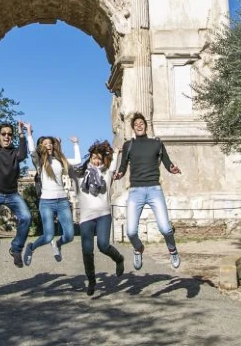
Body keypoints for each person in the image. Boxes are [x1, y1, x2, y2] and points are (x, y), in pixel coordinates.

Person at [113, 112, 182, 270]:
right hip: (135, 191)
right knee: (130, 232)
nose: (139, 125)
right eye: (136, 123)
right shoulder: (128, 145)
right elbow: (123, 167)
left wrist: (173, 169)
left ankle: (173, 250)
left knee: (165, 228)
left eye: (141, 123)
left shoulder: (157, 143)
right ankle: (138, 249)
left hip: (154, 190)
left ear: (146, 125)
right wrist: (119, 174)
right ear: (133, 127)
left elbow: (167, 163)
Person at [69, 138, 125, 295]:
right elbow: (67, 166)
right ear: (90, 158)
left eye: (99, 158)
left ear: (102, 160)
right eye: (94, 157)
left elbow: (113, 165)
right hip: (86, 218)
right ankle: (91, 280)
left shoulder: (106, 175)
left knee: (103, 245)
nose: (96, 160)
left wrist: (117, 152)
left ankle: (119, 258)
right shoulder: (79, 176)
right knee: (87, 250)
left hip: (104, 215)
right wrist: (74, 145)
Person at [23, 131, 80, 267]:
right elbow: (32, 151)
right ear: (42, 146)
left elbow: (78, 161)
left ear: (54, 146)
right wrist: (29, 134)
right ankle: (31, 247)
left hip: (62, 201)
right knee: (48, 236)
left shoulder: (60, 160)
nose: (48, 145)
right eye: (45, 143)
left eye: (50, 143)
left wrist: (76, 144)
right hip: (46, 202)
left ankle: (58, 245)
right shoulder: (40, 162)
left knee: (70, 235)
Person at [0, 115, 31, 268]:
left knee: (26, 217)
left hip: (12, 194)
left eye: (10, 134)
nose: (7, 137)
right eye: (4, 134)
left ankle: (16, 249)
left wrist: (21, 133)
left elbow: (23, 154)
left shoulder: (15, 153)